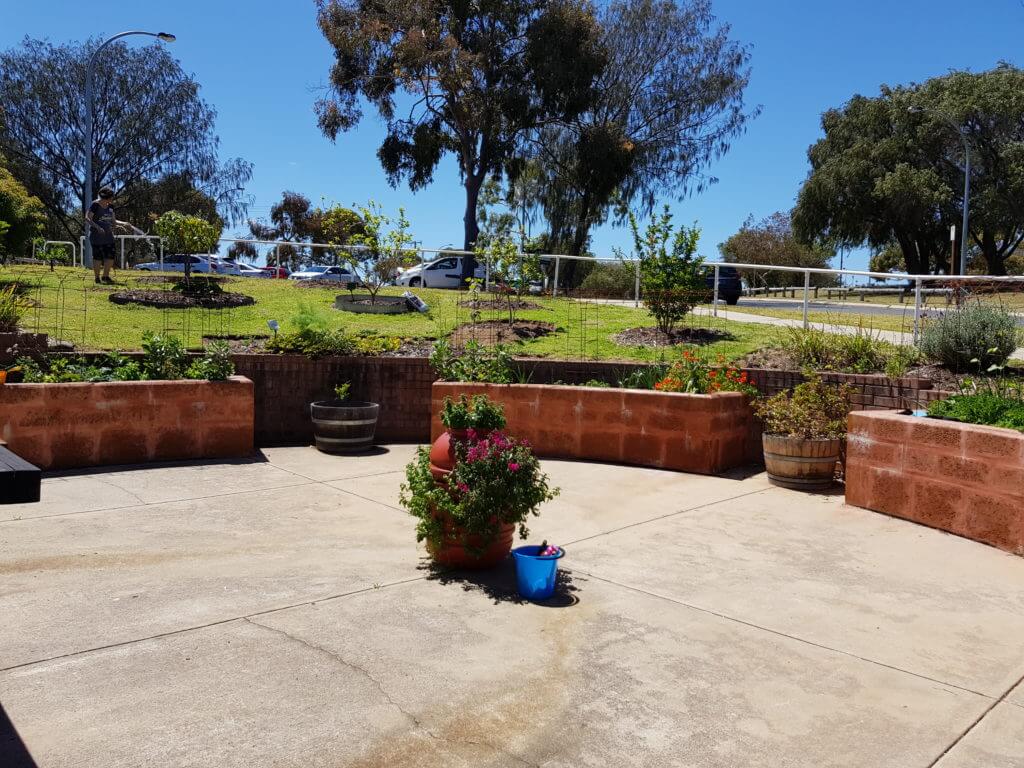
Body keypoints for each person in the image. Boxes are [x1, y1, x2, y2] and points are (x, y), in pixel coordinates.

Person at [86, 186, 130, 284]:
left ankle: (105, 276)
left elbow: (113, 221)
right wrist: (97, 227)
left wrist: (124, 224)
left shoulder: (110, 206)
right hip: (96, 236)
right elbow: (88, 218)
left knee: (110, 256)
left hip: (108, 236)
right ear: (106, 197)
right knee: (97, 257)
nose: (111, 199)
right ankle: (97, 278)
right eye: (110, 198)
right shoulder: (95, 205)